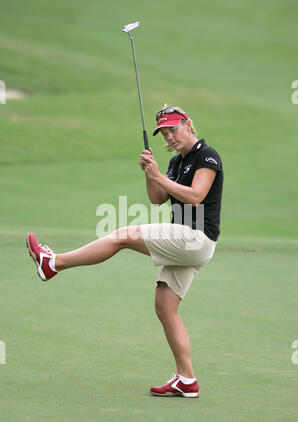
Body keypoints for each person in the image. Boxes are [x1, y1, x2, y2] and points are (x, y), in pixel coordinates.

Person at [26, 105, 224, 398]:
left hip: (195, 237)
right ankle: (187, 378)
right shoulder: (174, 163)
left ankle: (53, 263)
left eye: (173, 128)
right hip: (186, 241)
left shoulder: (207, 156)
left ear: (188, 124)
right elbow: (157, 200)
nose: (170, 136)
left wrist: (159, 177)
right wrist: (150, 173)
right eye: (164, 132)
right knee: (165, 307)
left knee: (121, 237)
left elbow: (196, 197)